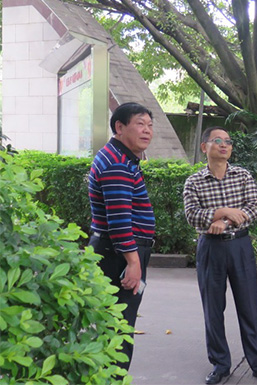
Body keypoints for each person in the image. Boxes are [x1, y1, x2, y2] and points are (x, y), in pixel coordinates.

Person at [183, 127, 257, 385]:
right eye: (218, 140)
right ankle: (220, 364)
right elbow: (192, 215)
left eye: (228, 141)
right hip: (210, 248)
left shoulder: (242, 175)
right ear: (204, 147)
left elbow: (255, 208)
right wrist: (223, 211)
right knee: (213, 308)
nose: (224, 145)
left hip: (239, 246)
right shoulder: (194, 181)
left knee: (250, 307)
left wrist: (224, 222)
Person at [87, 102, 155, 371]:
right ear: (119, 127)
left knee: (116, 327)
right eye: (140, 124)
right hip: (119, 255)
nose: (147, 130)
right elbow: (118, 221)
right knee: (118, 331)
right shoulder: (116, 163)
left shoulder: (121, 158)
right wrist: (133, 262)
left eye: (150, 125)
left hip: (118, 252)